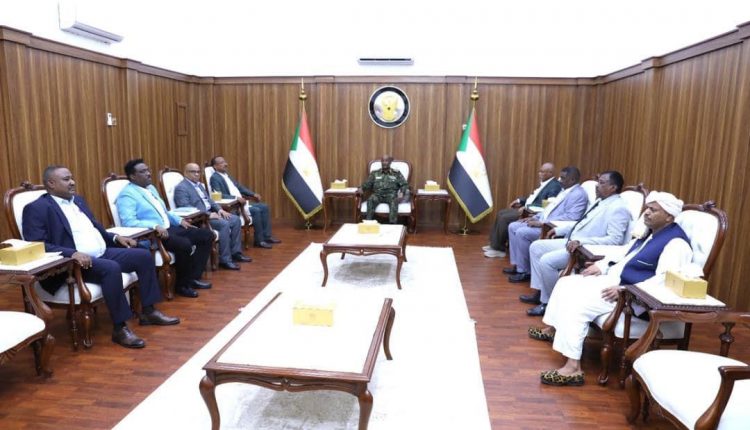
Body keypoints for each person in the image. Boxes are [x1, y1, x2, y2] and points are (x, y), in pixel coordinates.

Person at [529, 192, 692, 386]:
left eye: (653, 210)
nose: (647, 213)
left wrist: (625, 289)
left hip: (633, 299)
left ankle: (573, 369)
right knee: (566, 283)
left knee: (578, 302)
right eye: (647, 208)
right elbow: (625, 253)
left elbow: (664, 281)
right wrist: (602, 265)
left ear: (669, 217)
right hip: (617, 283)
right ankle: (554, 329)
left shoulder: (676, 243)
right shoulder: (652, 233)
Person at [23, 165, 180, 349]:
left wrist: (115, 237)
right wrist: (71, 253)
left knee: (143, 256)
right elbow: (38, 244)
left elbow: (96, 227)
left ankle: (149, 311)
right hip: (72, 264)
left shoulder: (78, 201)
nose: (72, 182)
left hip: (101, 253)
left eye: (72, 178)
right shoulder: (37, 208)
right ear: (51, 183)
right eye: (66, 179)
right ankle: (120, 328)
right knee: (111, 268)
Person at [522, 171, 632, 316]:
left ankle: (549, 303)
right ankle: (541, 292)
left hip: (584, 249)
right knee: (536, 247)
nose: (597, 186)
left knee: (547, 261)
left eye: (601, 183)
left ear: (613, 187)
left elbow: (614, 240)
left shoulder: (618, 208)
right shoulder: (601, 201)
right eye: (598, 181)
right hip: (573, 241)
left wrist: (582, 242)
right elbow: (581, 223)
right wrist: (559, 229)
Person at [116, 159, 214, 298]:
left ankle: (193, 277)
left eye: (148, 170)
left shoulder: (151, 188)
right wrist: (154, 226)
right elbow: (129, 221)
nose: (148, 173)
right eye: (143, 172)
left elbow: (164, 212)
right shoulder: (127, 194)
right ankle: (182, 285)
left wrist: (179, 220)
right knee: (185, 244)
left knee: (206, 235)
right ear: (132, 176)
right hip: (153, 235)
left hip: (169, 227)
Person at [505, 166, 589, 283]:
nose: (559, 180)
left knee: (522, 233)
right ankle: (518, 265)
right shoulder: (564, 190)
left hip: (551, 227)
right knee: (513, 226)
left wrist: (542, 223)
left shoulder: (578, 194)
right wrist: (535, 217)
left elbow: (571, 217)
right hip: (543, 222)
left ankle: (525, 271)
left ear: (572, 180)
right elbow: (548, 209)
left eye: (563, 178)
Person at [174, 163, 252, 271]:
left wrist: (220, 210)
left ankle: (236, 253)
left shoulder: (199, 185)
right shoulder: (181, 188)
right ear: (186, 173)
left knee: (235, 220)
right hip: (200, 219)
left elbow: (210, 200)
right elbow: (186, 207)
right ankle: (225, 260)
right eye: (193, 172)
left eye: (198, 172)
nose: (197, 174)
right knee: (224, 224)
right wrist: (208, 215)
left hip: (211, 213)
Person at [483, 162, 562, 258]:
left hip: (531, 214)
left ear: (550, 173)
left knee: (504, 218)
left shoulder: (555, 186)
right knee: (501, 213)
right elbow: (534, 198)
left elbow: (548, 205)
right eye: (540, 171)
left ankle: (499, 250)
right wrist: (519, 200)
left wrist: (527, 208)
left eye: (542, 172)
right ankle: (494, 245)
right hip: (526, 209)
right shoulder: (545, 183)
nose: (539, 174)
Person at [209, 156, 280, 249]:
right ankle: (259, 241)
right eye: (222, 163)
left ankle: (267, 236)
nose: (225, 164)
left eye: (225, 162)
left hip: (241, 202)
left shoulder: (227, 175)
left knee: (264, 206)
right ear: (215, 166)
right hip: (234, 205)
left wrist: (253, 194)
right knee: (256, 210)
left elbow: (239, 187)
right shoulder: (214, 178)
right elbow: (219, 194)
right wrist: (236, 198)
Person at [359, 154, 409, 224]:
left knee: (394, 201)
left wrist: (402, 192)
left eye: (386, 161)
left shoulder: (396, 173)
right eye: (382, 161)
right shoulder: (375, 173)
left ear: (390, 162)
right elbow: (368, 183)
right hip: (377, 195)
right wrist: (362, 188)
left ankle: (392, 224)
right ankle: (368, 222)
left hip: (391, 195)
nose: (384, 162)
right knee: (371, 199)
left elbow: (404, 184)